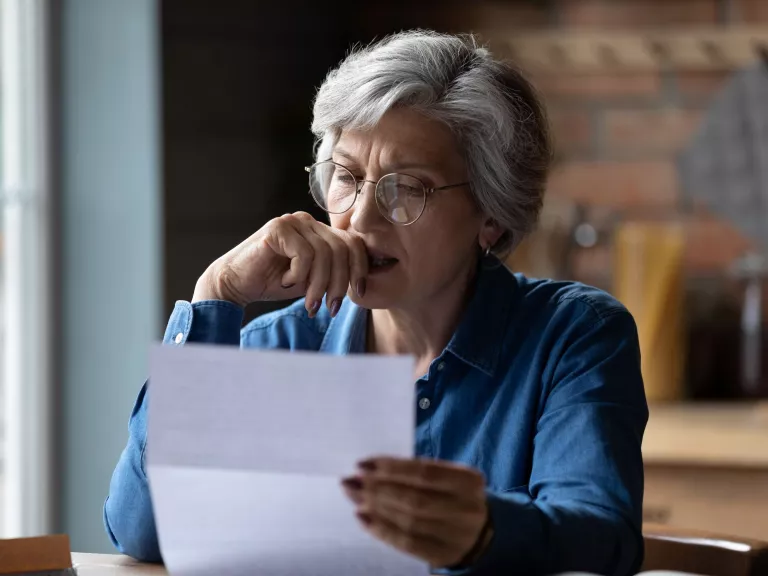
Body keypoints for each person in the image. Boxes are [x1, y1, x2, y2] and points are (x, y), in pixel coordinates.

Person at [104, 30, 648, 575]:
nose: (361, 220)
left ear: (492, 213)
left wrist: (484, 531)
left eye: (407, 188)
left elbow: (602, 540)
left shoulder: (574, 336)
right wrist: (216, 293)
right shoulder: (280, 347)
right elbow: (142, 532)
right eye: (346, 177)